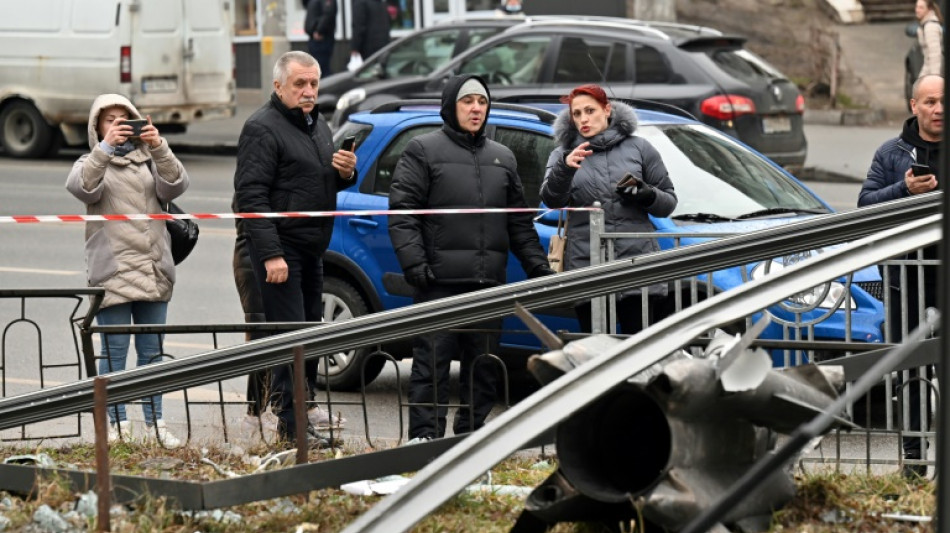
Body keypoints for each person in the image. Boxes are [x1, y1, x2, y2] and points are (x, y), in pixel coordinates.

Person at [388, 74, 554, 443]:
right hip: (438, 285)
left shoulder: (503, 156)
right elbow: (402, 213)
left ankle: (471, 443)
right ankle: (425, 445)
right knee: (431, 369)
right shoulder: (423, 149)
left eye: (481, 101)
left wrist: (539, 269)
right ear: (451, 106)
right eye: (468, 101)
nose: (476, 108)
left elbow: (519, 224)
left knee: (483, 372)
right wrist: (415, 266)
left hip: (488, 285)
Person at [232, 50, 357, 447]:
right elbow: (250, 197)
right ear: (278, 86)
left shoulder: (316, 124)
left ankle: (301, 418)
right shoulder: (261, 128)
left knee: (310, 336)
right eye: (299, 84)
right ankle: (290, 428)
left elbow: (313, 183)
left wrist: (343, 175)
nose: (308, 91)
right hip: (281, 251)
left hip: (311, 248)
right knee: (291, 340)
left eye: (313, 84)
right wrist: (270, 254)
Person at [66, 94, 189, 449]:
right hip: (114, 271)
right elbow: (81, 187)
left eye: (125, 117)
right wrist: (104, 149)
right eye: (109, 119)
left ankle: (156, 424)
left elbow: (177, 185)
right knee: (113, 353)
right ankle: (117, 426)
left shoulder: (150, 159)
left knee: (152, 353)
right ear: (97, 126)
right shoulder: (91, 161)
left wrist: (159, 146)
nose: (118, 124)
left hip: (153, 268)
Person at [540, 84, 677, 335]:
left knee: (638, 348)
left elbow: (668, 203)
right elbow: (551, 200)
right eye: (577, 113)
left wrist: (645, 194)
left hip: (636, 266)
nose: (583, 119)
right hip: (588, 266)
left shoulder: (639, 148)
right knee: (596, 350)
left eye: (590, 111)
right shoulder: (563, 154)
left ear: (607, 109)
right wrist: (565, 169)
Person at [858, 74, 942, 478]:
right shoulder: (892, 153)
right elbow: (865, 205)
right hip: (905, 275)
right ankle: (912, 461)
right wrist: (904, 191)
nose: (938, 109)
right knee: (909, 367)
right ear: (914, 106)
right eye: (929, 102)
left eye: (943, 101)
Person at [232, 213, 346, 435]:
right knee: (263, 337)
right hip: (258, 257)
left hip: (288, 253)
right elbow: (253, 210)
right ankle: (256, 412)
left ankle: (305, 404)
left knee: (300, 331)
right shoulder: (260, 186)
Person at [350, 0, 391, 64]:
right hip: (383, 45)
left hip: (368, 47)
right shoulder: (380, 3)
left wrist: (355, 48)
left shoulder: (360, 3)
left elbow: (358, 27)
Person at [304, 0, 337, 78]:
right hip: (314, 38)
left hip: (321, 39)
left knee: (321, 70)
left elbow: (328, 14)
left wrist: (319, 31)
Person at [915, 0, 944, 78]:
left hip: (932, 73)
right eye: (917, 7)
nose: (917, 10)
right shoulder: (925, 24)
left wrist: (934, 77)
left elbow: (935, 54)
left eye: (921, 8)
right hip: (927, 70)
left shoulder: (930, 27)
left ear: (929, 9)